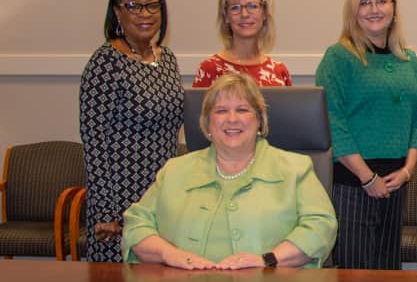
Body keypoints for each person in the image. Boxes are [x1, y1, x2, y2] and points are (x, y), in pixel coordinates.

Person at [121, 73, 336, 269]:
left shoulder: (295, 169)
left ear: (259, 120)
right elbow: (136, 225)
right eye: (221, 111)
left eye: (242, 110)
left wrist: (268, 259)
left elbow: (321, 226)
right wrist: (169, 254)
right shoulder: (174, 170)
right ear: (207, 123)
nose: (232, 119)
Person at [315, 0, 417, 270]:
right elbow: (333, 121)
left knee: (388, 277)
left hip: (396, 182)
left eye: (382, 1)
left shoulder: (408, 59)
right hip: (352, 184)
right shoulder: (338, 57)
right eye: (365, 3)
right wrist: (367, 177)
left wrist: (407, 171)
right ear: (353, 11)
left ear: (394, 8)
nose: (375, 9)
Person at [79, 0, 184, 262]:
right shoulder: (105, 63)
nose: (145, 14)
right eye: (134, 6)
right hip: (121, 202)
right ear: (117, 12)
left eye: (153, 5)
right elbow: (94, 143)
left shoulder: (168, 59)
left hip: (162, 198)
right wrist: (105, 212)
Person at [193, 0, 292, 87]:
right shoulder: (209, 69)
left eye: (253, 6)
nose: (244, 14)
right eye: (235, 7)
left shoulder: (278, 71)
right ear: (226, 16)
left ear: (264, 13)